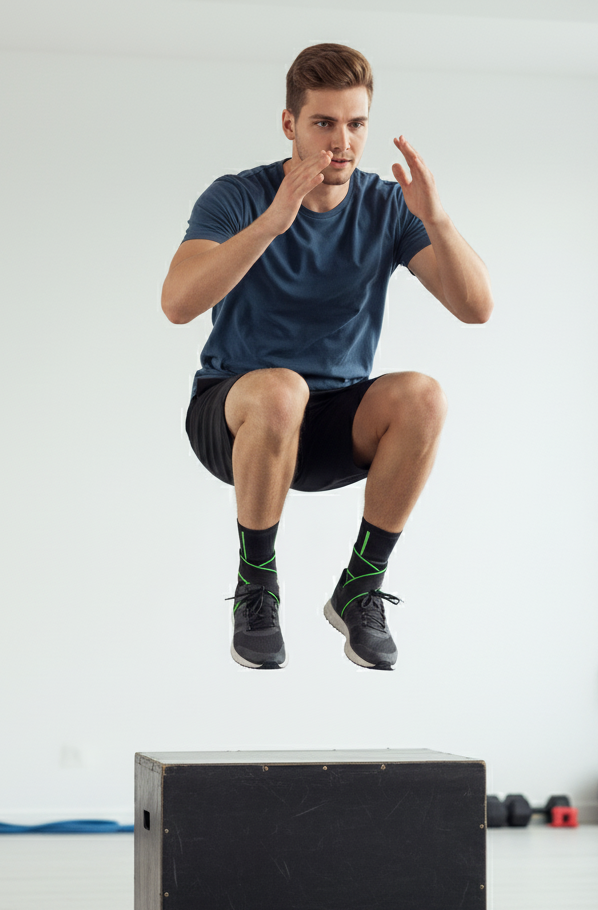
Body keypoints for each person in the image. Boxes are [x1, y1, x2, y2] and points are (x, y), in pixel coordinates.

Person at [162, 43, 492, 671]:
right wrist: (270, 223)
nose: (342, 142)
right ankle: (257, 588)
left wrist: (438, 220)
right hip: (235, 415)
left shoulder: (386, 206)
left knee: (424, 397)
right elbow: (177, 304)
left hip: (331, 423)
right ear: (290, 124)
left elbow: (476, 308)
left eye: (356, 124)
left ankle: (360, 587)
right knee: (281, 389)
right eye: (323, 123)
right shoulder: (238, 197)